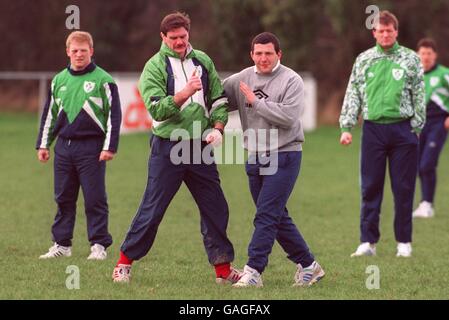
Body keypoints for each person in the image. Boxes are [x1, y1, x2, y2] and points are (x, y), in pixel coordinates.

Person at [112, 12, 241, 284]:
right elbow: (157, 110)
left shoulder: (203, 61)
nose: (179, 42)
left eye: (183, 36)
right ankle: (124, 262)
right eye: (173, 38)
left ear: (188, 33)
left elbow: (218, 99)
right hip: (168, 146)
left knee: (216, 207)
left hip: (200, 146)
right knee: (153, 207)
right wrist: (185, 93)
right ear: (163, 37)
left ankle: (223, 271)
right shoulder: (154, 67)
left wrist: (218, 128)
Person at [223, 32, 325, 288]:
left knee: (266, 216)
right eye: (258, 53)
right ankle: (309, 266)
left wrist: (255, 103)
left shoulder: (292, 80)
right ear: (251, 54)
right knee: (274, 216)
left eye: (268, 53)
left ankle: (253, 271)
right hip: (254, 156)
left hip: (285, 154)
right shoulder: (242, 78)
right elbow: (216, 97)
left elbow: (289, 118)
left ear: (279, 54)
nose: (263, 58)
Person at [339, 11, 425, 258]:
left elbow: (419, 94)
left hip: (403, 129)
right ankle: (368, 242)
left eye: (389, 30)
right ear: (374, 33)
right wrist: (347, 126)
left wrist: (417, 127)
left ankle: (404, 242)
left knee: (404, 187)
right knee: (370, 187)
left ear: (396, 32)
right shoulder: (364, 59)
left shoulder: (410, 59)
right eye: (381, 30)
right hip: (373, 130)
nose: (385, 34)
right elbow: (353, 93)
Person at [36, 31, 122, 260]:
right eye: (74, 51)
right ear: (68, 52)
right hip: (63, 148)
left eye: (83, 50)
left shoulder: (104, 81)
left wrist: (109, 147)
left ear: (91, 52)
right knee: (63, 197)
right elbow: (49, 116)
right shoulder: (58, 80)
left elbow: (115, 117)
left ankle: (98, 245)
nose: (79, 55)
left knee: (94, 198)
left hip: (91, 148)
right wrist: (44, 144)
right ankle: (62, 245)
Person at [413, 38, 449, 218]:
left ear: (435, 55)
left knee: (427, 164)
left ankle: (427, 204)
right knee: (419, 165)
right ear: (417, 55)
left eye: (429, 53)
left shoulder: (444, 74)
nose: (426, 57)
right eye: (422, 53)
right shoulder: (414, 75)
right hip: (420, 125)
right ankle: (424, 204)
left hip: (438, 124)